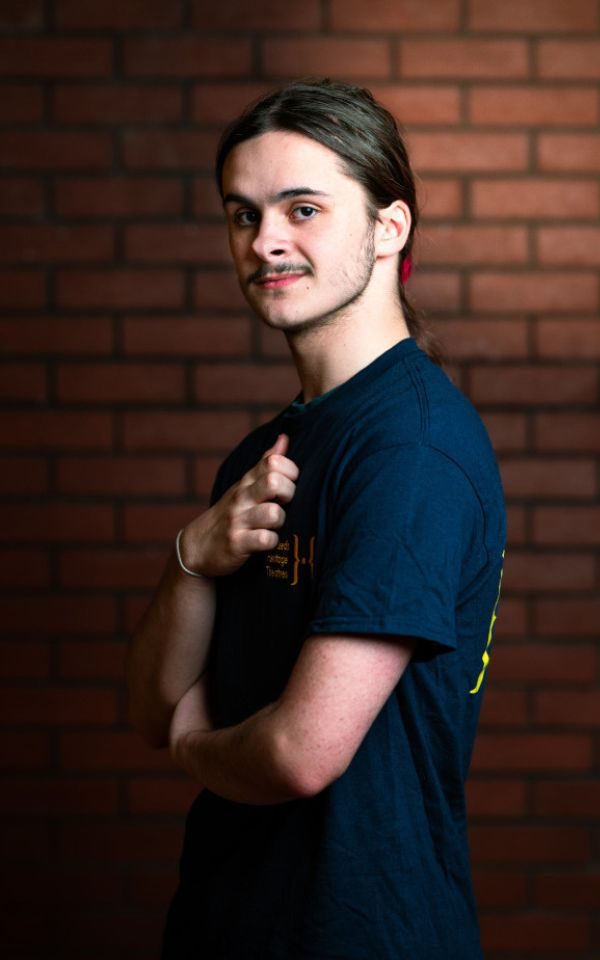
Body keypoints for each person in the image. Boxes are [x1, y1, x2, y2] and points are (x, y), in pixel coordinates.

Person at [127, 78, 506, 960]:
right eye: (242, 214)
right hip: (227, 921)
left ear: (389, 228)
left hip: (360, 931)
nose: (265, 242)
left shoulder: (410, 448)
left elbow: (303, 750)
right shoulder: (268, 451)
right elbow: (150, 705)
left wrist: (194, 751)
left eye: (303, 209)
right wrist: (192, 553)